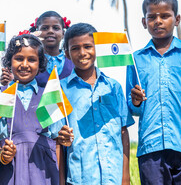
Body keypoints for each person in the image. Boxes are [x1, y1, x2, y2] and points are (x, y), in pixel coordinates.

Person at [127, 0, 181, 184]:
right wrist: (135, 101)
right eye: (151, 17)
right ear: (144, 21)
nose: (158, 21)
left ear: (177, 19)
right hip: (150, 150)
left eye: (164, 16)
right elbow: (133, 109)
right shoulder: (135, 60)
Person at [54, 23, 134, 184]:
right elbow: (58, 142)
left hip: (114, 177)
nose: (82, 53)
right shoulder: (60, 89)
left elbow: (123, 133)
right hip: (80, 178)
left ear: (97, 48)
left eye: (88, 46)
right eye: (75, 48)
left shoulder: (113, 87)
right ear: (67, 54)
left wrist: (125, 178)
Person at [0, 33, 73, 185]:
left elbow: (57, 142)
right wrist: (2, 154)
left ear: (40, 63)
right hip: (10, 173)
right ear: (9, 61)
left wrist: (60, 181)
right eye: (18, 58)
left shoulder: (49, 96)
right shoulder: (1, 96)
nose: (24, 64)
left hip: (44, 173)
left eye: (32, 60)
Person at [0, 11, 74, 87]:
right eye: (45, 28)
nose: (50, 31)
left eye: (56, 28)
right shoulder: (30, 62)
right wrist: (11, 82)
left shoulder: (73, 61)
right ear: (36, 32)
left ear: (63, 34)